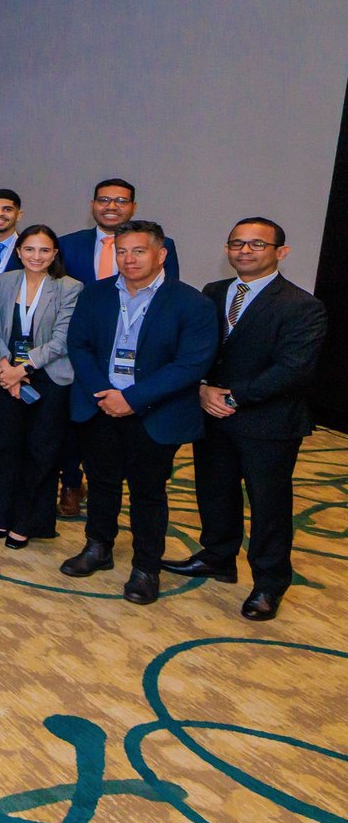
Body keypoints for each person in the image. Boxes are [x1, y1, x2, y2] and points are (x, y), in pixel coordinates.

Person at [164, 218, 328, 621]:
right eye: (236, 243)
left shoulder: (302, 305)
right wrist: (201, 387)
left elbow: (293, 368)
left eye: (256, 244)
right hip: (212, 413)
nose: (244, 251)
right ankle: (218, 556)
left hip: (267, 423)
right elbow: (195, 347)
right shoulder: (214, 292)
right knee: (214, 490)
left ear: (280, 252)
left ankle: (270, 583)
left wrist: (234, 397)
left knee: (269, 505)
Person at [61, 220, 219, 604]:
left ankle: (146, 566)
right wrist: (105, 393)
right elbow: (78, 345)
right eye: (122, 251)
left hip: (156, 413)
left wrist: (131, 399)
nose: (129, 259)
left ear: (160, 254)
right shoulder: (95, 294)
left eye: (139, 250)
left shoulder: (191, 302)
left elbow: (191, 364)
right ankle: (98, 547)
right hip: (100, 406)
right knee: (102, 482)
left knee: (148, 492)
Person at [0, 225, 79, 548]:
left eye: (44, 250)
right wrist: (6, 366)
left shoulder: (69, 287)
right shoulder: (3, 281)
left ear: (54, 254)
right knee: (3, 446)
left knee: (40, 452)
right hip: (7, 374)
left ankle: (26, 522)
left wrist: (23, 368)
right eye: (30, 250)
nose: (36, 256)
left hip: (49, 378)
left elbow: (62, 340)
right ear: (19, 252)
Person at [57, 178, 181, 286]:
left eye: (121, 201)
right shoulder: (66, 245)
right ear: (92, 205)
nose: (111, 207)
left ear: (134, 207)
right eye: (103, 200)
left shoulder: (162, 244)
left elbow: (170, 292)